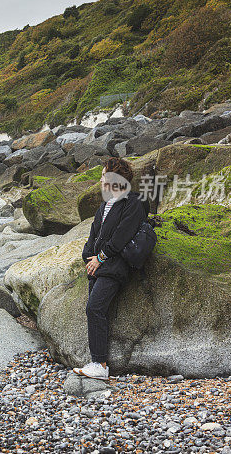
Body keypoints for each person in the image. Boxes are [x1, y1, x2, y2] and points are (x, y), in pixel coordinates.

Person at [74, 157, 148, 380]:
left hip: (115, 266)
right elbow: (93, 236)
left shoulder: (133, 202)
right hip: (98, 267)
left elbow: (121, 236)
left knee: (94, 308)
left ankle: (100, 365)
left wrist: (101, 258)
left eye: (104, 175)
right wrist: (89, 258)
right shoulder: (104, 205)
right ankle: (97, 362)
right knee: (95, 310)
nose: (100, 180)